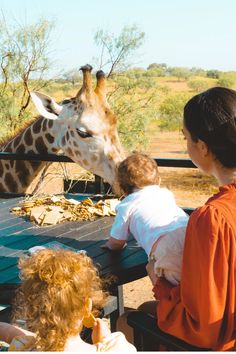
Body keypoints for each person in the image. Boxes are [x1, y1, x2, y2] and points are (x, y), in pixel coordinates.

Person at [142, 87, 236, 351]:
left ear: (203, 147)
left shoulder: (213, 219)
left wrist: (157, 282)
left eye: (186, 138)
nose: (186, 146)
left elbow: (204, 328)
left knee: (131, 317)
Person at [0, 249, 136, 352]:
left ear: (28, 311)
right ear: (86, 306)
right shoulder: (117, 348)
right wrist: (103, 341)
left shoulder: (22, 348)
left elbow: (11, 335)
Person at [102, 153, 189, 285]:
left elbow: (117, 243)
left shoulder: (127, 204)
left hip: (165, 246)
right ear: (158, 180)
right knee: (197, 278)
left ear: (123, 189)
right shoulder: (165, 193)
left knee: (176, 289)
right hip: (190, 232)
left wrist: (109, 245)